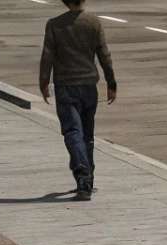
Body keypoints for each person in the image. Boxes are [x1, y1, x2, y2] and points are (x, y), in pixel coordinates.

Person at [37, 0, 117, 200]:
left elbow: (47, 56)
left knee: (72, 132)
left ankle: (83, 177)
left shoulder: (54, 24)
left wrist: (44, 82)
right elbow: (104, 54)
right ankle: (88, 179)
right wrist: (111, 82)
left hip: (66, 87)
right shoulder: (93, 23)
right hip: (89, 87)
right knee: (87, 135)